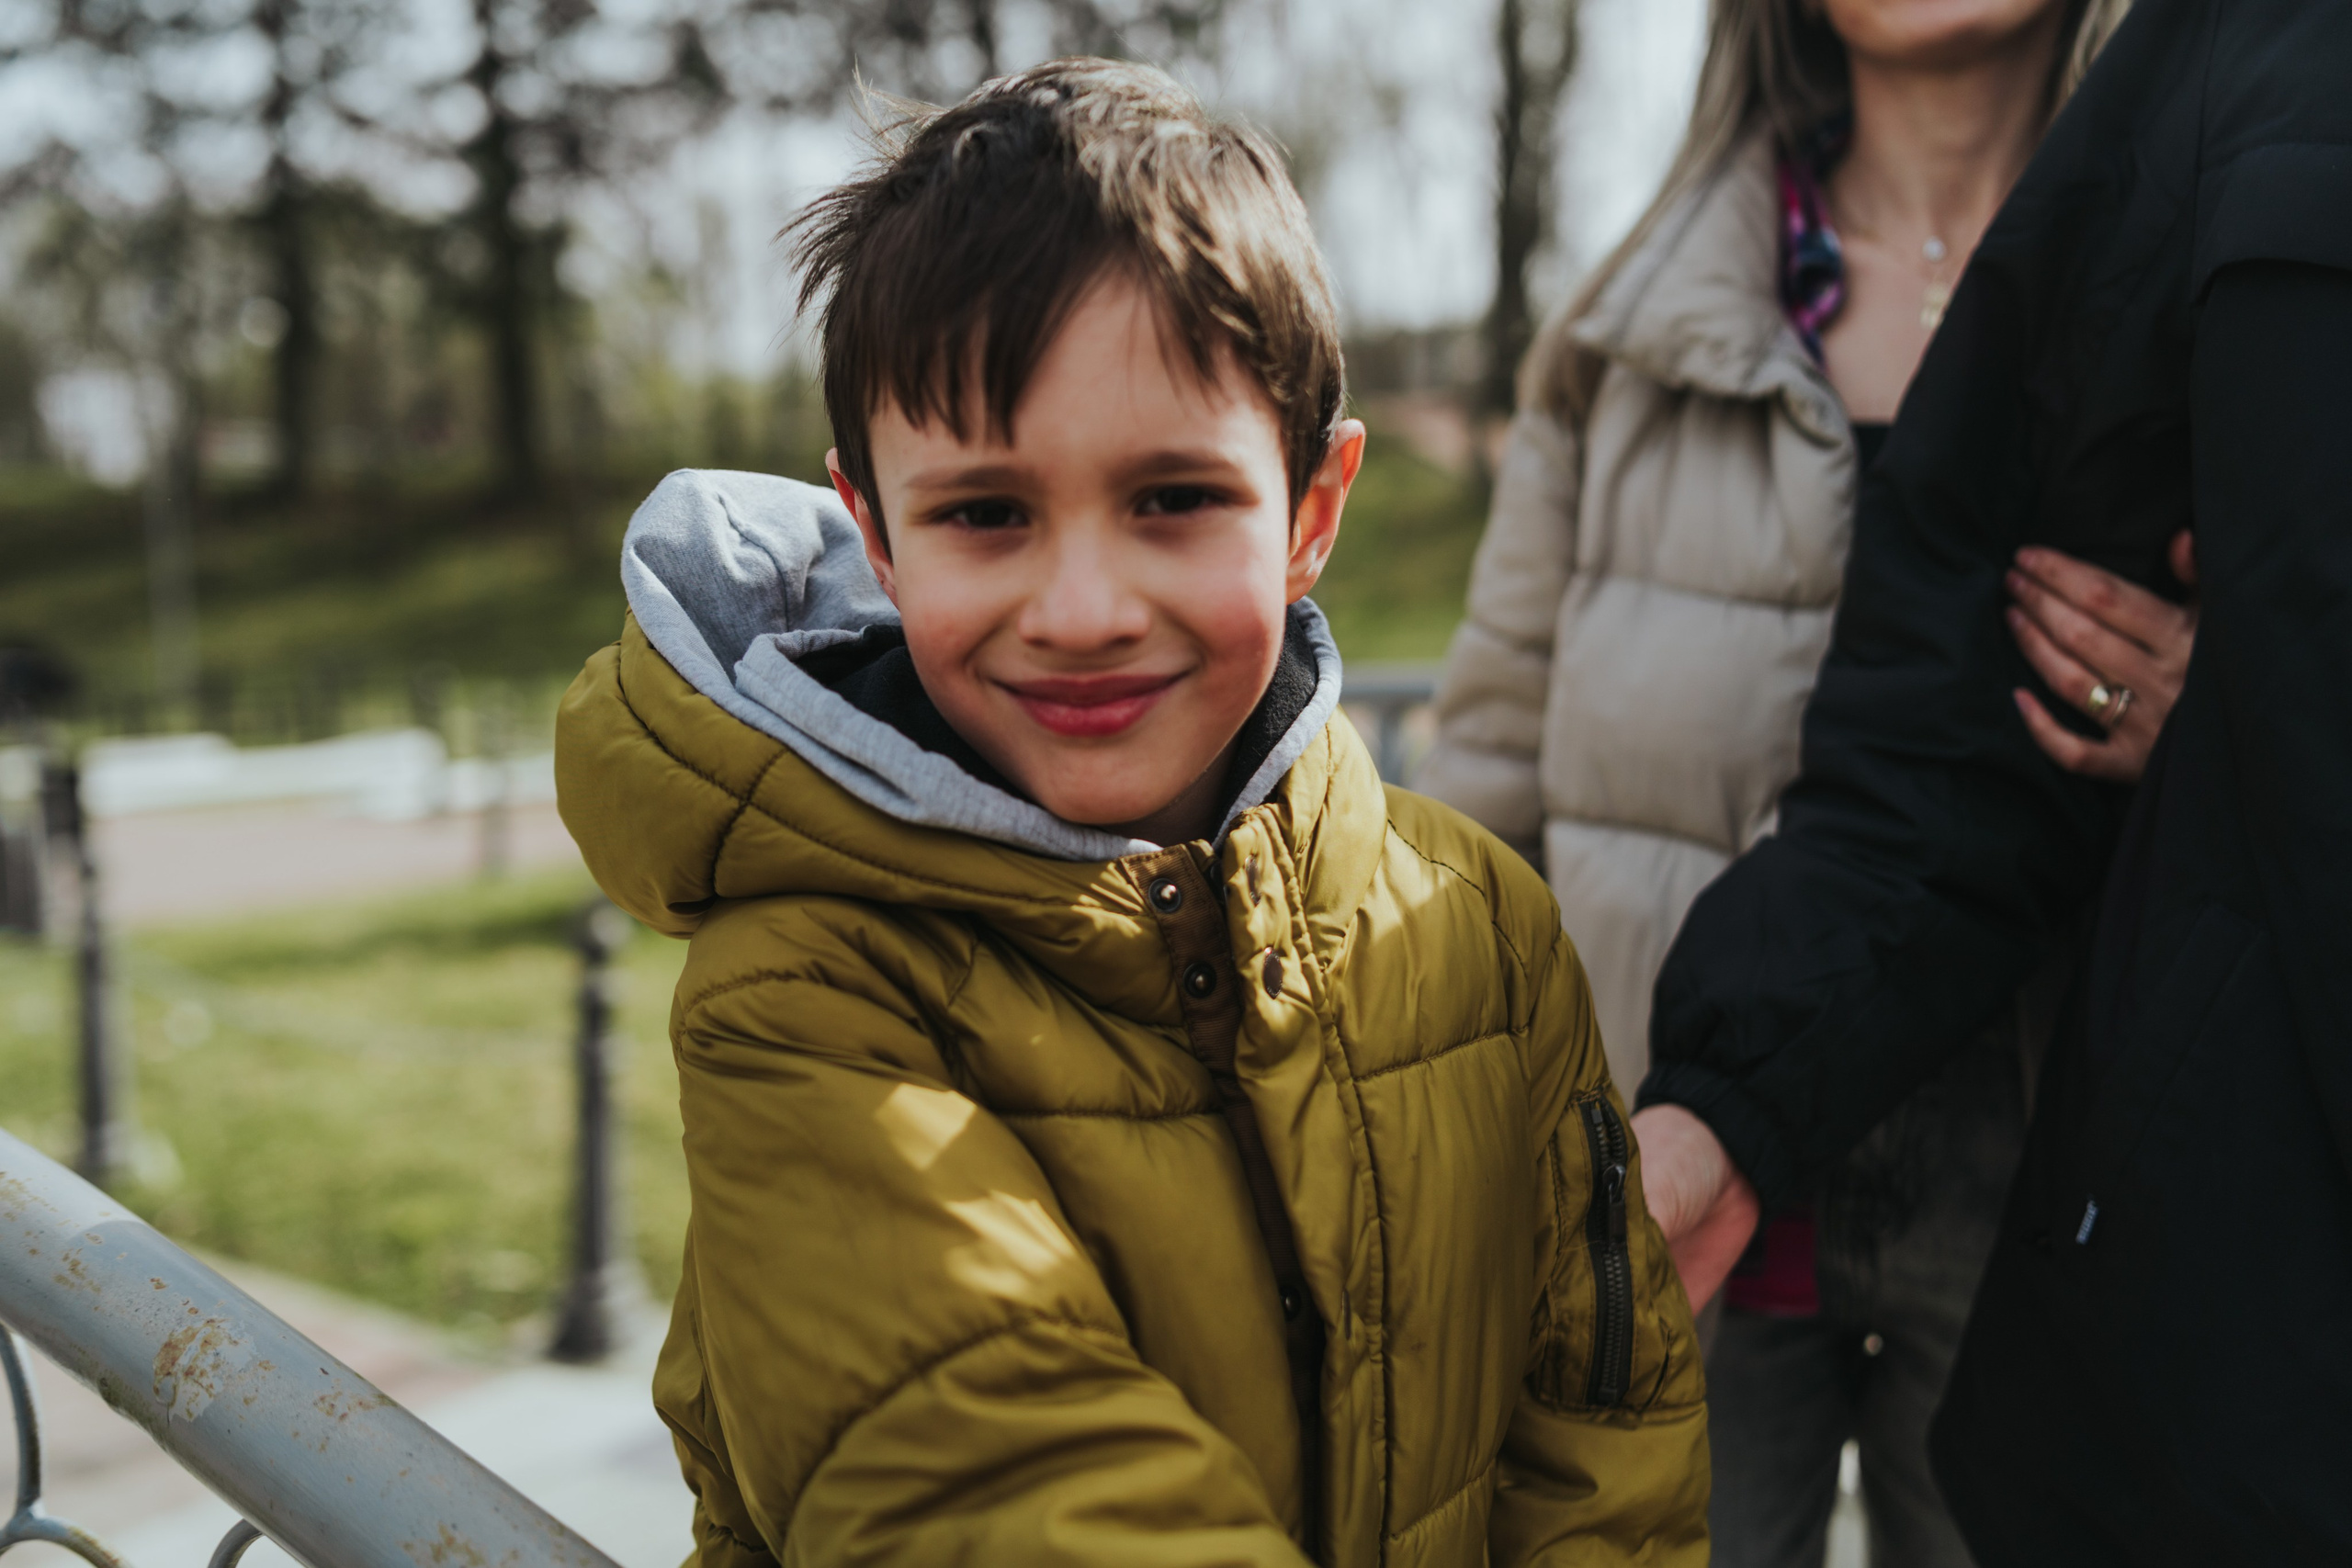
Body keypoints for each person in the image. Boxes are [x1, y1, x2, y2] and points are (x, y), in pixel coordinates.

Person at [556, 59, 1709, 1567]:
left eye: (1172, 498)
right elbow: (991, 1467)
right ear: (879, 542)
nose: (1084, 610)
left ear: (1310, 510)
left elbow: (1602, 1436)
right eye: (984, 514)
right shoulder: (807, 997)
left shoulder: (1477, 923)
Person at [1421, 0, 2188, 1562]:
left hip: (2059, 1215)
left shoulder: (2197, 298)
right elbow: (1481, 790)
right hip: (1677, 1184)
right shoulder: (1624, 337)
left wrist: (2213, 714)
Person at [1627, 0, 2352, 1559]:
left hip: (2021, 1168)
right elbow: (1942, 738)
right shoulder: (2239, 80)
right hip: (2159, 1341)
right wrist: (1702, 1101)